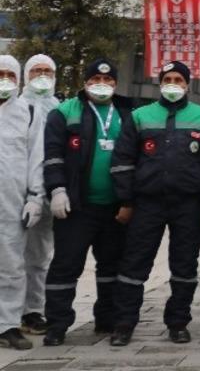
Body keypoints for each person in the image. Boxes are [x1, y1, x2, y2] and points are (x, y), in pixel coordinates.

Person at [109, 61, 200, 346]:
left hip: (187, 204)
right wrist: (126, 200)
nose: (172, 83)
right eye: (167, 78)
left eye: (178, 78)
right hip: (147, 203)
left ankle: (178, 322)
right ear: (159, 82)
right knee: (134, 264)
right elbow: (123, 160)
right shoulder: (141, 116)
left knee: (184, 266)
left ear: (187, 83)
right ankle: (123, 324)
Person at [41, 59, 133, 346]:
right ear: (85, 82)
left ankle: (106, 319)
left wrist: (130, 200)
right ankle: (57, 324)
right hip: (76, 206)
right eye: (95, 79)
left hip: (115, 207)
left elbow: (136, 159)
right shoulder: (65, 112)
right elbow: (53, 154)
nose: (101, 84)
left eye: (107, 80)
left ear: (116, 84)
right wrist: (57, 189)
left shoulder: (127, 113)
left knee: (112, 267)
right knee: (66, 266)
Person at [0, 55, 45, 350]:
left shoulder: (28, 111)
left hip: (11, 204)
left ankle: (7, 325)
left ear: (19, 80)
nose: (5, 79)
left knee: (12, 265)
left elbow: (36, 159)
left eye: (10, 75)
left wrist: (35, 197)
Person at [18, 54, 58, 336]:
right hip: (19, 194)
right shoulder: (18, 107)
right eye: (36, 71)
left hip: (50, 193)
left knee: (41, 256)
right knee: (13, 256)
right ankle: (11, 311)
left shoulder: (59, 108)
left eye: (47, 71)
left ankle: (34, 310)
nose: (42, 76)